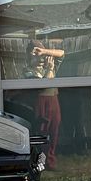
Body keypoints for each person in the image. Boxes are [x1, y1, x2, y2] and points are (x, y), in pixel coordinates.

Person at [30, 36, 64, 167]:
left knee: (54, 130)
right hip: (41, 101)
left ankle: (50, 159)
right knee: (42, 130)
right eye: (35, 55)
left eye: (40, 54)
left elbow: (62, 53)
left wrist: (45, 52)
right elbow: (42, 85)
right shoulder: (28, 70)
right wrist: (49, 70)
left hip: (54, 99)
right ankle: (40, 161)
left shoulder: (49, 64)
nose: (39, 59)